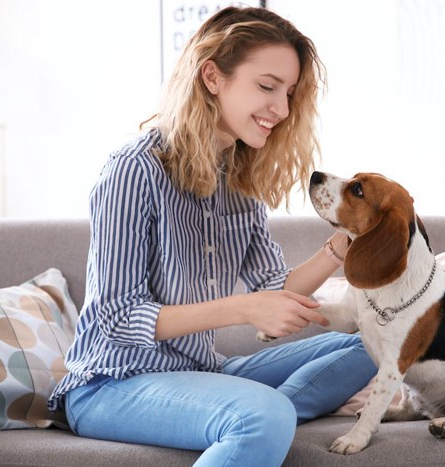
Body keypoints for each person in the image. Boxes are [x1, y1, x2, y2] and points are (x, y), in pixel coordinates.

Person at [47, 6, 377, 467]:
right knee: (264, 416)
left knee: (376, 343)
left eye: (289, 94)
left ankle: (239, 414)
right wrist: (244, 308)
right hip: (110, 383)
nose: (281, 110)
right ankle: (254, 417)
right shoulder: (133, 170)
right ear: (212, 77)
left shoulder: (238, 181)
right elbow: (117, 318)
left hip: (200, 372)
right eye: (267, 87)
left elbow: (273, 291)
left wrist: (343, 244)